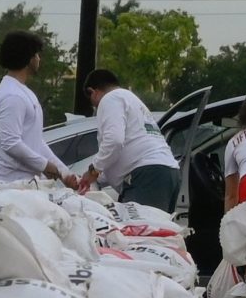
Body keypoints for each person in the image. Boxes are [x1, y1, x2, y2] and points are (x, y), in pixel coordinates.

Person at [74, 67, 179, 207]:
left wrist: (93, 170)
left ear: (92, 92)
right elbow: (120, 155)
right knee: (155, 227)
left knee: (139, 227)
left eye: (94, 104)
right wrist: (96, 177)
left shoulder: (109, 99)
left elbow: (114, 141)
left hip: (146, 176)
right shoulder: (131, 100)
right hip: (166, 172)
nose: (96, 109)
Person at [0, 31, 72, 187]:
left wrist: (65, 173)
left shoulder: (22, 92)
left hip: (26, 183)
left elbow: (35, 142)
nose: (39, 59)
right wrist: (44, 165)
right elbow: (11, 143)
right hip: (9, 184)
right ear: (29, 59)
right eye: (37, 54)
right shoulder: (12, 95)